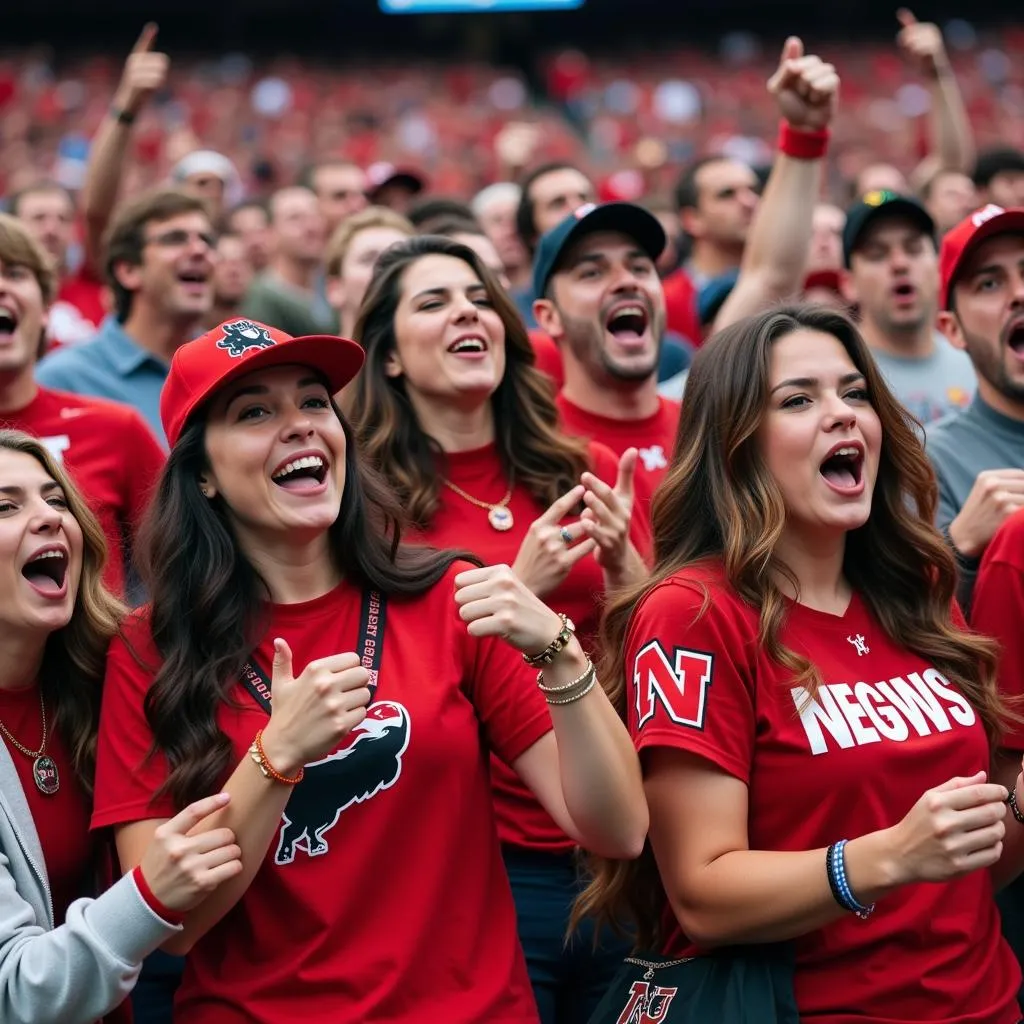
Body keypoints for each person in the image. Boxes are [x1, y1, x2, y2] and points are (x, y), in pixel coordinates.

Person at [90, 317, 647, 1023]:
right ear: (201, 473)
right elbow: (173, 927)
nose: (299, 426)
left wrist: (560, 653)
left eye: (314, 401)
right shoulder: (150, 648)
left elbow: (617, 830)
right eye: (255, 411)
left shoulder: (448, 596)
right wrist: (276, 756)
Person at [576, 304, 1023, 1023]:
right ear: (736, 446)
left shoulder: (921, 589)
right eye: (798, 400)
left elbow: (969, 869)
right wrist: (883, 858)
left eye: (854, 393)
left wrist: (1019, 808)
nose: (843, 415)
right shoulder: (693, 614)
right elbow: (702, 894)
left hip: (986, 1004)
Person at [347, 235, 648, 1023]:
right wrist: (523, 589)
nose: (466, 312)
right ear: (388, 358)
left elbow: (655, 648)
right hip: (486, 862)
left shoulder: (577, 465)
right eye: (434, 301)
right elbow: (381, 676)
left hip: (624, 840)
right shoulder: (364, 505)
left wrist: (625, 573)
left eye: (479, 298)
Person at [0, 428, 242, 1024]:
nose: (49, 519)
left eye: (57, 501)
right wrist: (147, 894)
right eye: (6, 506)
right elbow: (15, 992)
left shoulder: (113, 674)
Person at [0, 213, 165, 597]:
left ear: (45, 311)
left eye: (16, 273)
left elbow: (187, 564)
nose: (1, 288)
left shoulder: (114, 427)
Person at [35, 189, 216, 445]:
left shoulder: (227, 366)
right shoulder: (63, 379)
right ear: (129, 270)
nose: (200, 250)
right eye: (175, 239)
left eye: (207, 240)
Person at [532, 201, 680, 507]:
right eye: (592, 273)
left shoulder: (713, 431)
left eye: (640, 268)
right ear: (549, 317)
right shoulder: (535, 454)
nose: (627, 282)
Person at [928, 204, 1024, 609]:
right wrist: (960, 547)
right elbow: (904, 629)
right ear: (953, 329)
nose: (1018, 294)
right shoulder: (928, 460)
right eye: (989, 284)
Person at [840, 191, 975, 424]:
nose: (900, 264)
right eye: (877, 254)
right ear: (848, 283)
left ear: (939, 268)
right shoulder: (840, 374)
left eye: (913, 249)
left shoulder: (977, 365)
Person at [241, 186, 335, 338]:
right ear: (270, 232)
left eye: (316, 216)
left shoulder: (332, 287)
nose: (311, 227)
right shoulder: (263, 298)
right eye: (295, 218)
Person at [323, 206, 414, 338]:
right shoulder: (310, 359)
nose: (386, 268)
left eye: (398, 258)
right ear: (334, 288)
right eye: (369, 259)